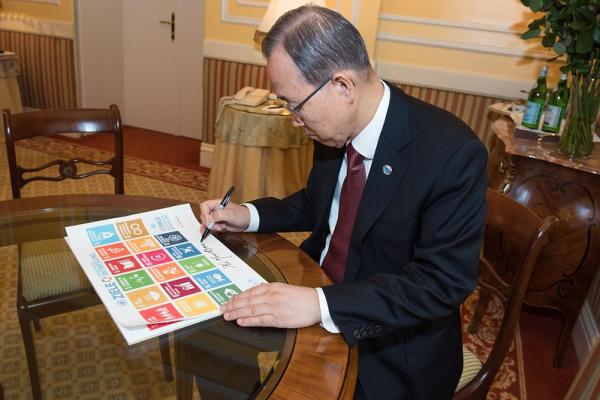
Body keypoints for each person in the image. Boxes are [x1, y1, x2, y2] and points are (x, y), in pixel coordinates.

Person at [200, 5, 487, 400]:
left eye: (294, 104)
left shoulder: (451, 153)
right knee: (213, 341)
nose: (294, 119)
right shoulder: (333, 128)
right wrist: (245, 214)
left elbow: (440, 284)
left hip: (392, 341)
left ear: (342, 86)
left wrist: (320, 304)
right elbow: (319, 203)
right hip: (315, 287)